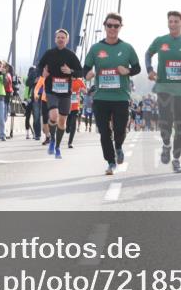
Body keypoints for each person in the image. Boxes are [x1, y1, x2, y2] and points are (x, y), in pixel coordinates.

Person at [83, 12, 142, 174]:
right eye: (109, 25)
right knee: (104, 132)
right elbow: (85, 68)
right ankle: (110, 162)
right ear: (105, 26)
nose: (112, 29)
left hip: (121, 97)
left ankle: (118, 146)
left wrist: (127, 70)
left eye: (116, 26)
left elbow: (137, 68)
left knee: (120, 129)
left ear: (120, 27)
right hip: (101, 97)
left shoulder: (127, 48)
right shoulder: (96, 49)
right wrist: (87, 74)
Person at [146, 10, 181, 173]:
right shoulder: (160, 41)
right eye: (170, 21)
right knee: (165, 121)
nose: (173, 24)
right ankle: (166, 144)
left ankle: (176, 159)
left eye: (176, 21)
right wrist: (149, 69)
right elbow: (148, 54)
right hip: (163, 87)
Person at [38, 29, 83, 159]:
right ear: (55, 39)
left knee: (62, 121)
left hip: (65, 93)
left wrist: (71, 71)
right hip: (51, 90)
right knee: (53, 116)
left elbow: (80, 72)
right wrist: (43, 73)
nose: (60, 39)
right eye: (58, 37)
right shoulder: (49, 53)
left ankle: (57, 146)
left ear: (67, 40)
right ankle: (52, 139)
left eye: (63, 37)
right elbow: (39, 67)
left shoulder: (71, 55)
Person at [66, 76, 87, 148]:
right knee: (68, 126)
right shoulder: (66, 79)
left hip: (75, 105)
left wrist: (82, 89)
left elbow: (85, 91)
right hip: (66, 105)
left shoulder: (79, 81)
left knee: (73, 123)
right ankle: (67, 127)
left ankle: (70, 142)